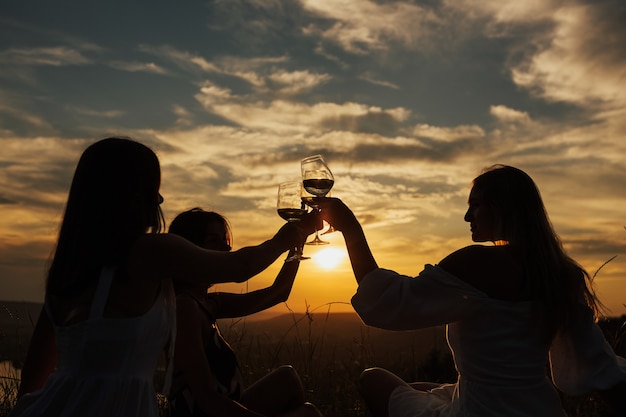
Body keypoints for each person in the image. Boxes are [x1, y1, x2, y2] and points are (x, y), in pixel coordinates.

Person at [9, 137, 317, 417]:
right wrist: (289, 234)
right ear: (129, 194)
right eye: (152, 190)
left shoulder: (67, 270)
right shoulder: (149, 252)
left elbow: (32, 384)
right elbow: (239, 268)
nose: (160, 202)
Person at [317, 164, 626, 417]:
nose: (467, 217)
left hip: (482, 410)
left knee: (372, 378)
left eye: (475, 206)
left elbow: (386, 304)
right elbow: (600, 367)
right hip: (539, 408)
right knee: (420, 386)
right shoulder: (560, 273)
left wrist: (350, 228)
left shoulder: (476, 263)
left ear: (503, 208)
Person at [166, 208, 323, 417]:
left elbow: (278, 293)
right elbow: (206, 399)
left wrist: (298, 241)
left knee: (287, 378)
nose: (227, 247)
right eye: (214, 240)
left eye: (225, 239)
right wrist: (281, 241)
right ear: (191, 250)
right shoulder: (184, 308)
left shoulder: (208, 302)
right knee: (308, 414)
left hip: (220, 407)